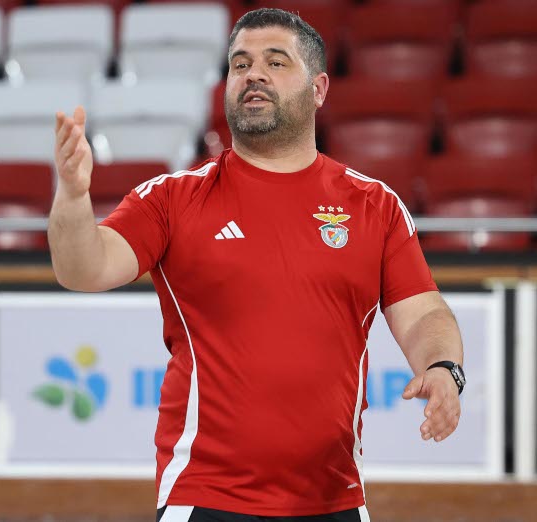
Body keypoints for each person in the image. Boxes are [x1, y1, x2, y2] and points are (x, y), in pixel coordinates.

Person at [50, 8, 465, 522]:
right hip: (205, 498)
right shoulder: (173, 198)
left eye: (275, 61)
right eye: (240, 63)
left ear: (319, 89)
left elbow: (424, 314)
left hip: (336, 499)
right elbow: (82, 269)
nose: (254, 74)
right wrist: (72, 197)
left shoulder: (374, 205)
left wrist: (443, 368)